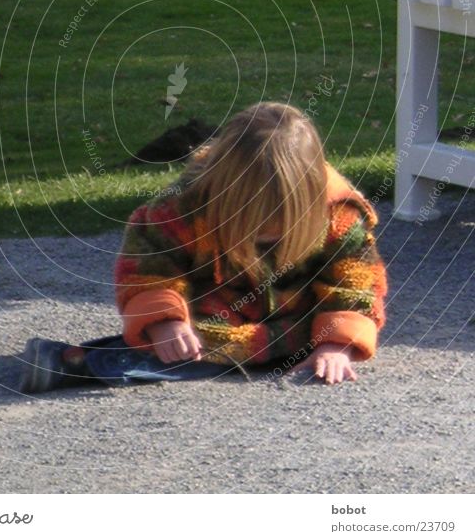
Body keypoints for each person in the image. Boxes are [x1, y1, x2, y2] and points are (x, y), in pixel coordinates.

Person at [19, 101, 388, 392]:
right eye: (254, 222)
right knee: (187, 344)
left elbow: (355, 287)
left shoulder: (339, 215)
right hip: (215, 314)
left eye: (284, 222)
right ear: (223, 195)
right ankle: (74, 363)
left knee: (311, 335)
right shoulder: (184, 208)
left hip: (298, 321)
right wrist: (165, 323)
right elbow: (149, 268)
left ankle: (264, 350)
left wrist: (337, 345)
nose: (269, 232)